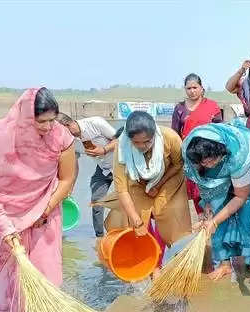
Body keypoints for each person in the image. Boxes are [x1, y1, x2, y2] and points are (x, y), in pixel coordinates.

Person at [0, 87, 77, 312]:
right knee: (13, 274)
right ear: (25, 118)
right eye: (41, 121)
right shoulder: (1, 138)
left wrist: (46, 209)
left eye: (53, 120)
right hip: (7, 216)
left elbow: (67, 178)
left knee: (46, 269)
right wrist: (6, 228)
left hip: (46, 211)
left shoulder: (61, 136)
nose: (48, 127)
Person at [182, 122, 250, 280]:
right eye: (204, 162)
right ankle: (224, 264)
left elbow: (240, 197)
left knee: (248, 211)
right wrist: (208, 203)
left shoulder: (239, 154)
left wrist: (214, 222)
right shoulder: (191, 154)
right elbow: (203, 181)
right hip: (219, 174)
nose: (209, 164)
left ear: (220, 151)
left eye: (212, 160)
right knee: (216, 210)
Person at [114, 111, 192, 273]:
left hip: (167, 178)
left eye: (147, 142)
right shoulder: (121, 147)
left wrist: (159, 184)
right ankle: (150, 262)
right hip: (137, 181)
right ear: (129, 139)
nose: (142, 147)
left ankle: (157, 262)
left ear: (154, 135)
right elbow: (121, 189)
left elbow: (179, 164)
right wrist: (136, 221)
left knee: (163, 214)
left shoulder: (169, 137)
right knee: (141, 218)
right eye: (137, 143)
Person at [56, 113, 118, 239]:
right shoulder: (69, 142)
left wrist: (104, 150)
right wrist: (69, 190)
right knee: (96, 202)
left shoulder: (95, 123)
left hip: (121, 166)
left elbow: (121, 140)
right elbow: (73, 166)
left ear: (68, 125)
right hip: (103, 169)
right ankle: (100, 239)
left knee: (126, 201)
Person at [171, 73, 223, 213]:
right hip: (191, 156)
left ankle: (215, 215)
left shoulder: (212, 106)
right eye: (188, 88)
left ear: (201, 88)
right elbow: (174, 134)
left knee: (212, 185)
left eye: (195, 87)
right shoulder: (180, 109)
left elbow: (220, 131)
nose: (192, 91)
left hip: (210, 155)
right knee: (195, 189)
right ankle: (201, 216)